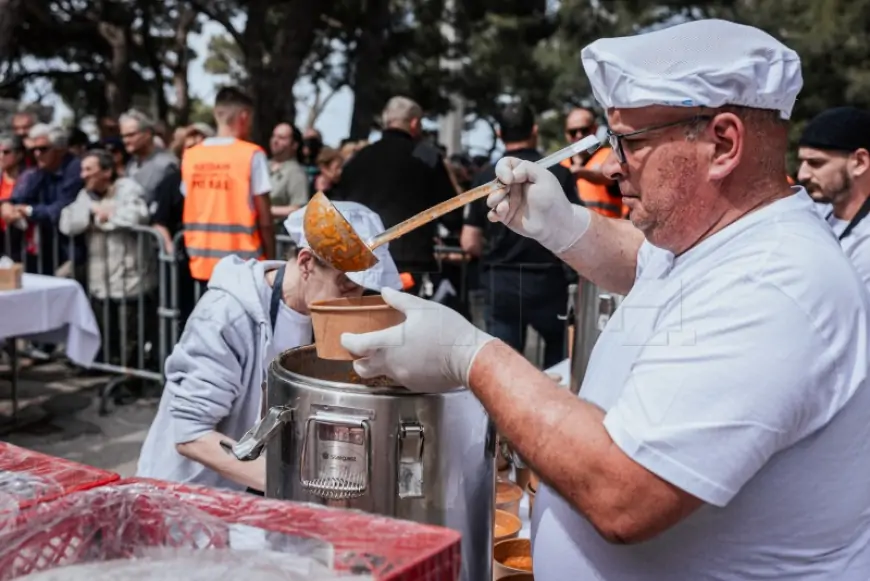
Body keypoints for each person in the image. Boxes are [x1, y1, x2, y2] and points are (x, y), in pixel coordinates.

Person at [341, 19, 870, 580]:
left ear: (723, 143)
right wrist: (563, 225)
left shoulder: (775, 282)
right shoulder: (719, 232)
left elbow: (626, 493)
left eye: (631, 143)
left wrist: (470, 356)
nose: (613, 165)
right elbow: (645, 261)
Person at [136, 201, 402, 492]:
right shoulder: (228, 316)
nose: (354, 299)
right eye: (346, 285)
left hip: (251, 494)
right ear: (306, 263)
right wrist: (294, 486)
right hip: (185, 493)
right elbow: (190, 434)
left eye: (362, 288)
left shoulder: (320, 314)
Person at [461, 100, 578, 368]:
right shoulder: (559, 172)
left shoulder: (483, 177)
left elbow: (469, 241)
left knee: (504, 369)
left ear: (500, 134)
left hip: (501, 281)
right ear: (534, 130)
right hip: (549, 280)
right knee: (557, 368)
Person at [336, 96, 459, 295]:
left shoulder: (360, 157)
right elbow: (451, 209)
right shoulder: (425, 155)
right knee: (402, 322)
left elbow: (340, 205)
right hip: (408, 261)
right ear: (414, 123)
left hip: (363, 260)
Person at [181, 86, 276, 295]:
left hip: (202, 264)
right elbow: (265, 219)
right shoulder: (252, 154)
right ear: (244, 116)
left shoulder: (191, 156)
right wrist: (272, 258)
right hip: (245, 265)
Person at [797, 107, 870, 288]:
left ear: (860, 162)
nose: (802, 174)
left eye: (816, 163)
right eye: (802, 162)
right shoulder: (815, 213)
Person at [561, 107, 625, 218]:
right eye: (573, 132)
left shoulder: (611, 156)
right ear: (566, 134)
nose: (579, 135)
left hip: (609, 230)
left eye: (584, 130)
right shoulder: (562, 164)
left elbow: (611, 179)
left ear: (594, 129)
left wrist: (582, 173)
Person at [268, 122, 309, 226]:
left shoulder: (296, 173)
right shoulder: (262, 166)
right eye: (274, 136)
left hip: (276, 234)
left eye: (282, 138)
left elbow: (298, 209)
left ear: (294, 145)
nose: (275, 141)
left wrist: (266, 210)